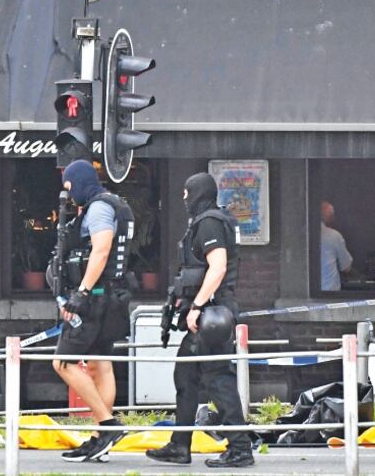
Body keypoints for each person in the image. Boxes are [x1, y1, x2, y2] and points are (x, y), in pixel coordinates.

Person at [146, 172, 254, 468]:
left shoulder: (209, 222)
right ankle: (180, 446)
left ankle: (241, 448)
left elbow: (217, 268)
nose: (183, 198)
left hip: (212, 314)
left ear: (198, 193)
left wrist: (196, 305)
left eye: (186, 192)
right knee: (186, 376)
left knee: (218, 379)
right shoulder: (209, 220)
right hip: (208, 313)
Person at [52, 159, 134, 463]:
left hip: (95, 298)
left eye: (70, 188)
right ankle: (102, 440)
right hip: (113, 298)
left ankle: (108, 426)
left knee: (62, 362)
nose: (69, 196)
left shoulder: (99, 208)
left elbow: (101, 248)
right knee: (101, 364)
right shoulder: (117, 204)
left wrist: (81, 292)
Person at [319, 201, 353, 291]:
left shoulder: (303, 236)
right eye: (331, 216)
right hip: (329, 291)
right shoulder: (334, 236)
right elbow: (346, 267)